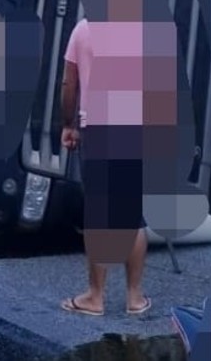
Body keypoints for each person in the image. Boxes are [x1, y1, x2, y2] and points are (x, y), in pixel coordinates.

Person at [59, 16, 152, 318]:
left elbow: (68, 83)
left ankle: (95, 297)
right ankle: (134, 298)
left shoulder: (83, 30)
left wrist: (67, 124)